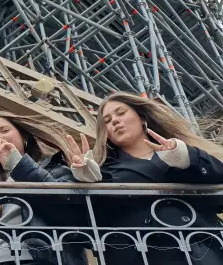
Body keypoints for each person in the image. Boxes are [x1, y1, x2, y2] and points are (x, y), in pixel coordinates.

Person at [93, 91, 223, 265]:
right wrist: (83, 180)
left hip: (202, 252)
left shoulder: (183, 154)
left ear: (142, 118)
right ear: (106, 133)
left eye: (121, 113)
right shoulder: (103, 172)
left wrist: (185, 157)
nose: (115, 121)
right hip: (143, 255)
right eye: (107, 121)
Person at [0, 113, 99, 265]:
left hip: (33, 259)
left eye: (4, 130)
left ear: (23, 136)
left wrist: (18, 164)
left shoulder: (54, 169)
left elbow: (73, 216)